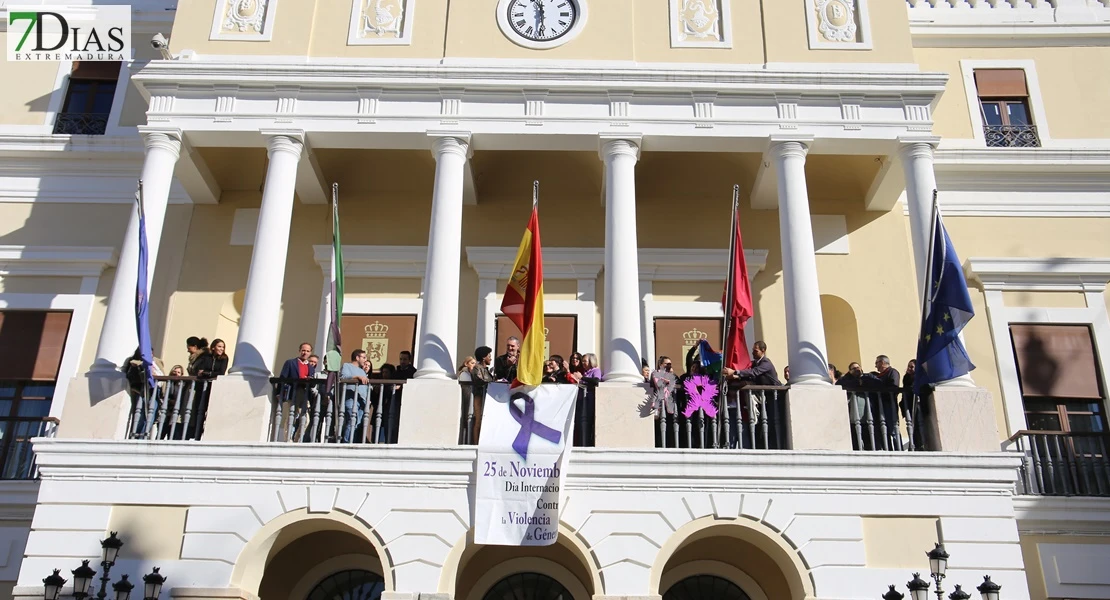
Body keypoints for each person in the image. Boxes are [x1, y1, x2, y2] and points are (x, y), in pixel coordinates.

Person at [340, 350, 371, 443]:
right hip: (351, 398)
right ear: (357, 358)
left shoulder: (362, 371)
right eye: (364, 357)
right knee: (352, 419)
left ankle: (353, 441)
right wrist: (357, 377)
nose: (365, 360)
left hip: (362, 400)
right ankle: (346, 443)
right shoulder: (347, 366)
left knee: (358, 423)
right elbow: (343, 377)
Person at [468, 346, 495, 444]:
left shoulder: (486, 369)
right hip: (479, 396)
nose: (490, 358)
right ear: (484, 357)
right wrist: (490, 383)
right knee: (478, 421)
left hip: (487, 397)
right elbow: (479, 381)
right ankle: (476, 443)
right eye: (489, 356)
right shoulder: (477, 368)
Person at [650, 356, 678, 448]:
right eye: (666, 364)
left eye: (670, 364)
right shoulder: (655, 373)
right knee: (659, 428)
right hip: (660, 404)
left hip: (669, 404)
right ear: (660, 364)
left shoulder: (672, 374)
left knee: (670, 427)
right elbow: (659, 383)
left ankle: (671, 445)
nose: (668, 366)